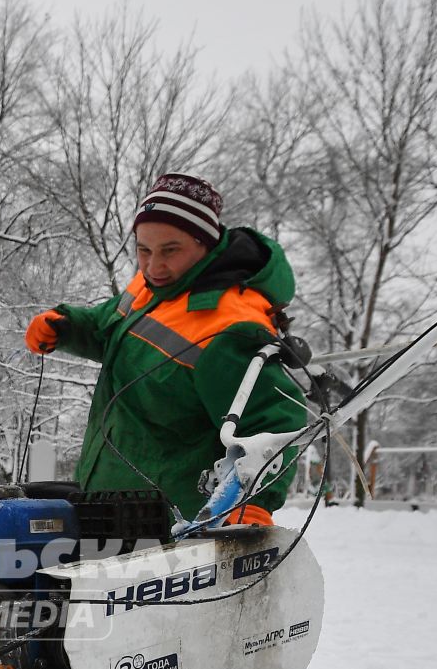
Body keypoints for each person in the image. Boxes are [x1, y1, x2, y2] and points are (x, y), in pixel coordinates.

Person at [25, 173, 307, 524]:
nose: (153, 266)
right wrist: (66, 327)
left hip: (173, 525)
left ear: (204, 243)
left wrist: (254, 500)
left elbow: (273, 422)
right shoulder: (150, 289)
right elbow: (106, 328)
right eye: (143, 250)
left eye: (170, 250)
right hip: (105, 501)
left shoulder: (229, 327)